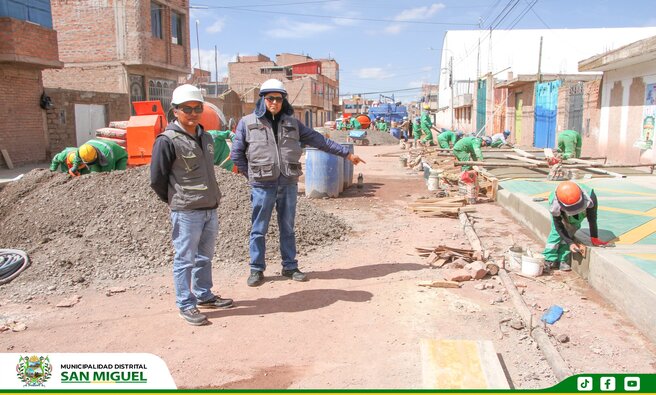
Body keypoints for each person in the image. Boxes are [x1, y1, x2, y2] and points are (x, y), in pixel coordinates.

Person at [231, 79, 366, 287]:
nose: (274, 102)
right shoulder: (247, 123)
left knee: (288, 227)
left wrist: (347, 154)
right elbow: (237, 154)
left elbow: (320, 141)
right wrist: (251, 176)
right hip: (262, 185)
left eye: (278, 98)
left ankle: (290, 266)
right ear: (263, 100)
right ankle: (256, 269)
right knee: (258, 228)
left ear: (283, 100)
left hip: (287, 183)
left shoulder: (293, 124)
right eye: (270, 98)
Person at [150, 84, 233, 326]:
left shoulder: (206, 137)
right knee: (185, 259)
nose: (193, 113)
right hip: (186, 211)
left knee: (204, 257)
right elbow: (157, 179)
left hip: (209, 208)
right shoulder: (167, 140)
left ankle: (204, 294)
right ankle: (186, 304)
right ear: (175, 110)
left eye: (197, 108)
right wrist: (177, 200)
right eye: (187, 108)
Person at [543, 181, 609, 272]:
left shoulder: (590, 196)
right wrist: (570, 243)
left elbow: (592, 218)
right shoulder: (555, 205)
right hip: (563, 211)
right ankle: (549, 258)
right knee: (556, 233)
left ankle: (563, 259)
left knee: (571, 230)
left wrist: (594, 237)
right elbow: (559, 227)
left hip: (581, 210)